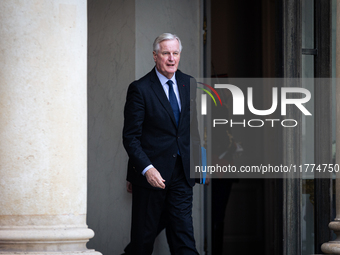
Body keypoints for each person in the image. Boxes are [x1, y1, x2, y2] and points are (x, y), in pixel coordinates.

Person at [123, 33, 200, 255]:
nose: (171, 58)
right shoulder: (140, 88)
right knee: (143, 241)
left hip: (182, 176)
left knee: (184, 239)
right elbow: (131, 136)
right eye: (166, 53)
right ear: (155, 56)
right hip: (151, 177)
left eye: (175, 53)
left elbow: (191, 130)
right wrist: (145, 169)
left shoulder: (189, 83)